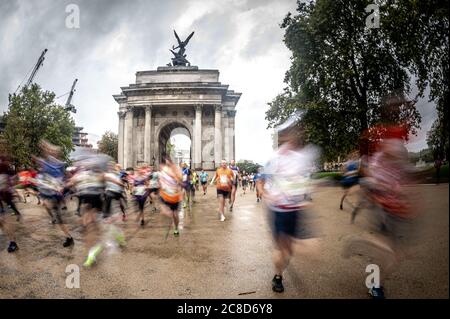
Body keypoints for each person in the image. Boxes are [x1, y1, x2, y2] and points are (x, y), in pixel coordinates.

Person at [256, 111, 319, 293]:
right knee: (283, 248)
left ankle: (280, 268)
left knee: (289, 251)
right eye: (291, 131)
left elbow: (305, 182)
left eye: (296, 131)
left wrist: (307, 195)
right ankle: (278, 276)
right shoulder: (275, 158)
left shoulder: (302, 157)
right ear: (283, 136)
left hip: (296, 209)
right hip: (279, 210)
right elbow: (260, 181)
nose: (295, 134)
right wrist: (266, 195)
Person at [34, 141, 74, 247]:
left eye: (51, 150)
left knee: (58, 217)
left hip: (56, 195)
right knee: (46, 206)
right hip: (49, 193)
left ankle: (69, 237)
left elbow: (66, 176)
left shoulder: (59, 164)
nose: (49, 151)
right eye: (47, 149)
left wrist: (65, 185)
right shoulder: (45, 163)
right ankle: (67, 236)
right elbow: (42, 176)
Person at [159, 158, 183, 236]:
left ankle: (176, 228)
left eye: (169, 161)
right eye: (166, 162)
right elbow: (160, 181)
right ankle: (168, 213)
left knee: (175, 214)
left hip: (174, 195)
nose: (167, 163)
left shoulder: (176, 171)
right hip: (165, 194)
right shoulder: (164, 170)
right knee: (164, 209)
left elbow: (180, 181)